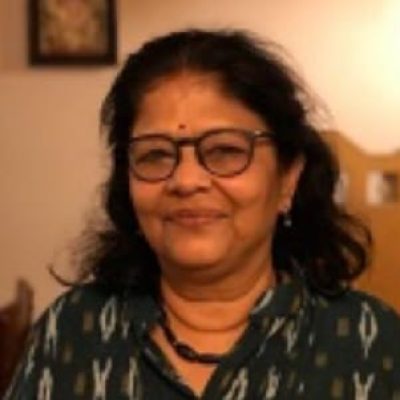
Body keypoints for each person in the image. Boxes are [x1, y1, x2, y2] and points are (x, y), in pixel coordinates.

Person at [5, 29, 400, 399]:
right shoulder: (72, 331)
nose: (186, 181)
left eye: (225, 150)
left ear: (288, 179)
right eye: (155, 154)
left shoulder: (367, 342)